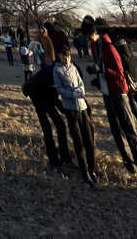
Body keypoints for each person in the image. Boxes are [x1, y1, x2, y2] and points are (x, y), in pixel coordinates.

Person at [82, 17, 137, 185]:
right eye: (87, 36)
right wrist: (97, 78)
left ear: (95, 32)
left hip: (119, 93)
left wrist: (101, 72)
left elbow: (119, 74)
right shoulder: (94, 47)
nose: (88, 38)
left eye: (89, 35)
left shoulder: (109, 47)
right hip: (107, 93)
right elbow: (102, 69)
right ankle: (130, 167)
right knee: (116, 132)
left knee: (129, 130)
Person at [53, 44, 98, 187]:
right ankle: (84, 173)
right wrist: (72, 94)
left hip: (83, 107)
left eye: (67, 56)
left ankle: (92, 169)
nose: (65, 58)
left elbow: (81, 82)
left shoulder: (73, 67)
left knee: (89, 140)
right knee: (78, 142)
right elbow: (60, 90)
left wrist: (81, 91)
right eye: (63, 56)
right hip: (70, 109)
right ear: (59, 56)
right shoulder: (57, 70)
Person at [22, 61, 72, 174]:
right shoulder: (56, 73)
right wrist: (63, 109)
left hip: (45, 92)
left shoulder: (62, 69)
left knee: (60, 125)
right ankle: (54, 159)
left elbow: (57, 96)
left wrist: (64, 109)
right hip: (36, 92)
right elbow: (54, 97)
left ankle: (65, 154)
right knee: (48, 127)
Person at [114, 35, 137, 126]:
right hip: (135, 78)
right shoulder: (129, 50)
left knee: (131, 101)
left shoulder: (120, 54)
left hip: (128, 80)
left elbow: (122, 68)